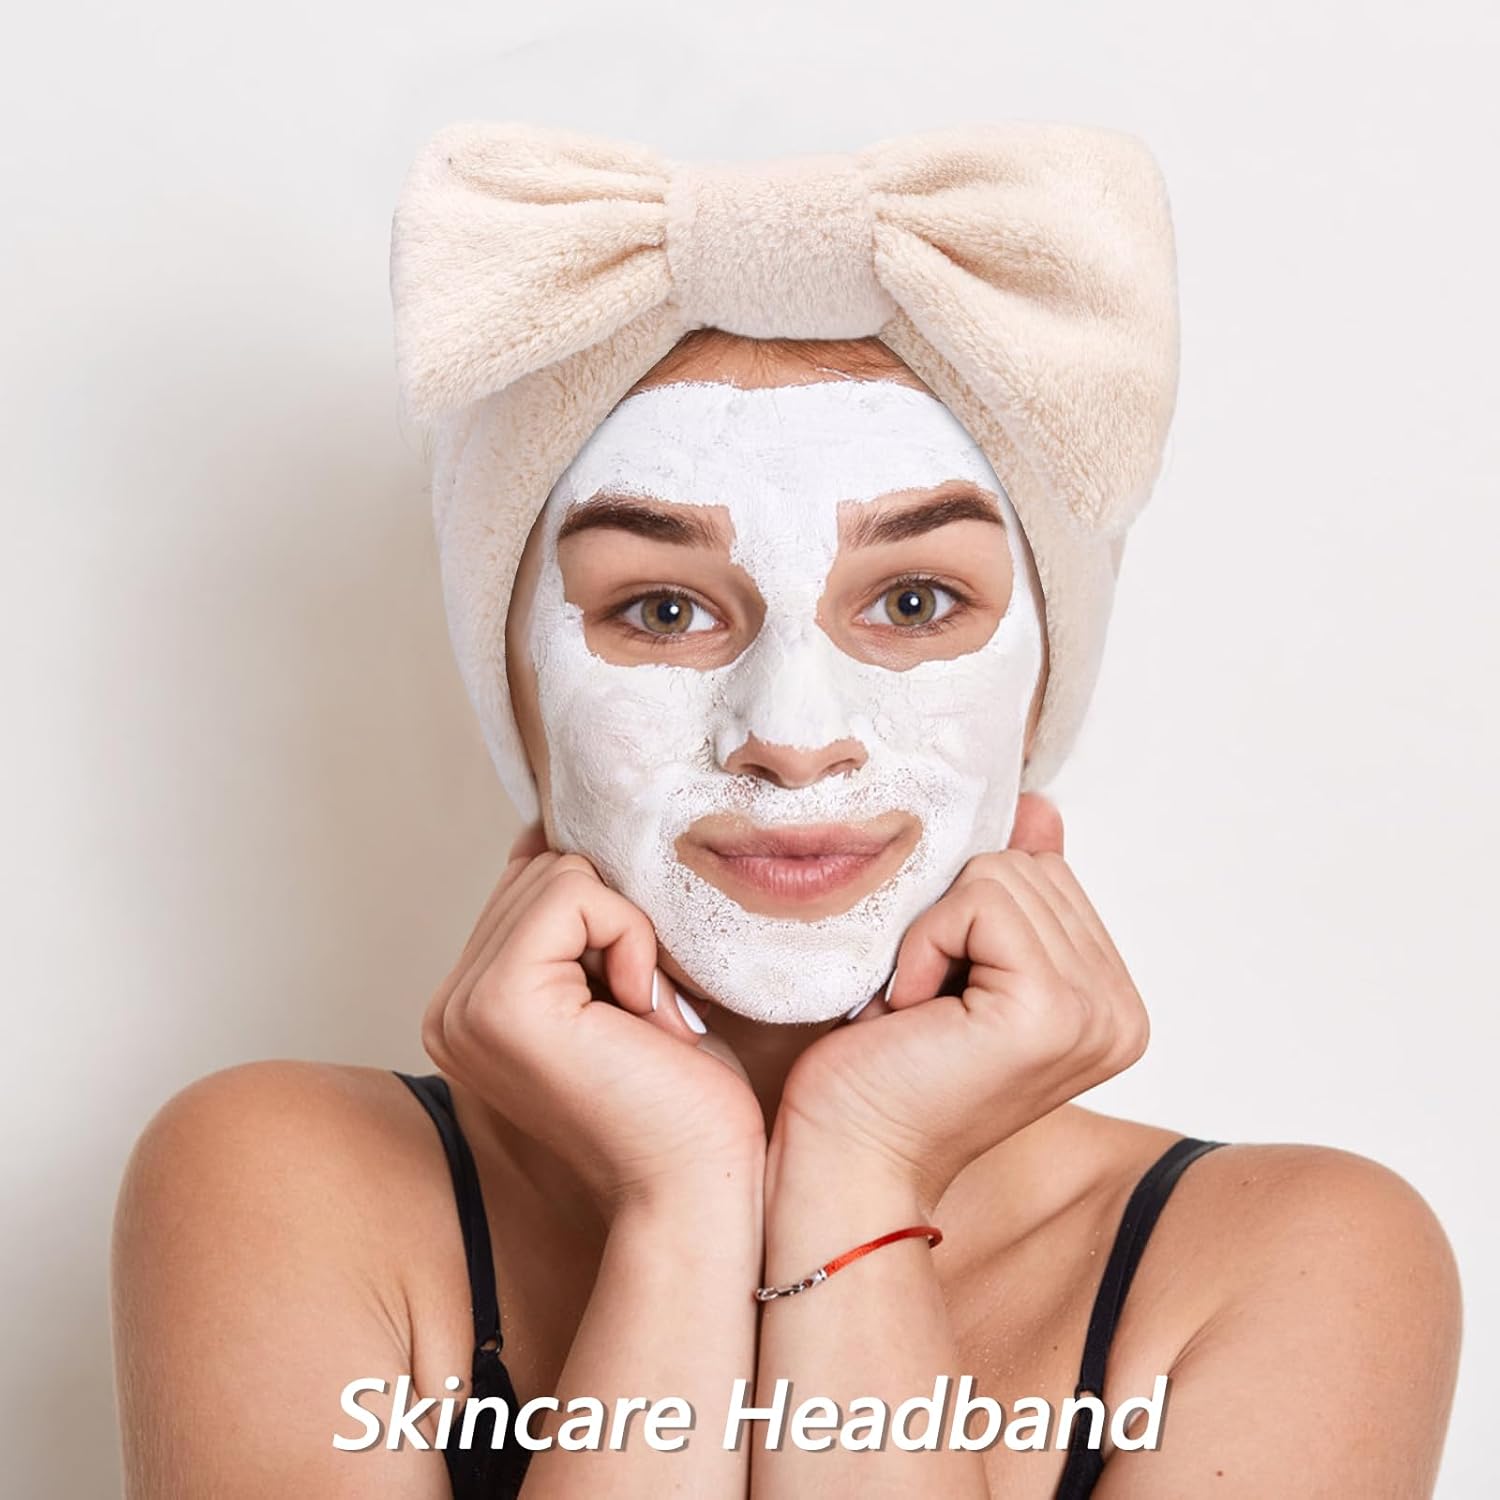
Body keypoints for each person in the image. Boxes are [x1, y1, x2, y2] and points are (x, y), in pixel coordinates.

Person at [110, 124, 1462, 1500]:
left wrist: (862, 1167)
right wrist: (684, 1200)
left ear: (1038, 695)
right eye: (663, 609)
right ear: (519, 702)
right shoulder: (283, 1180)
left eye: (914, 601)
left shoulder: (1294, 1260)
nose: (794, 737)